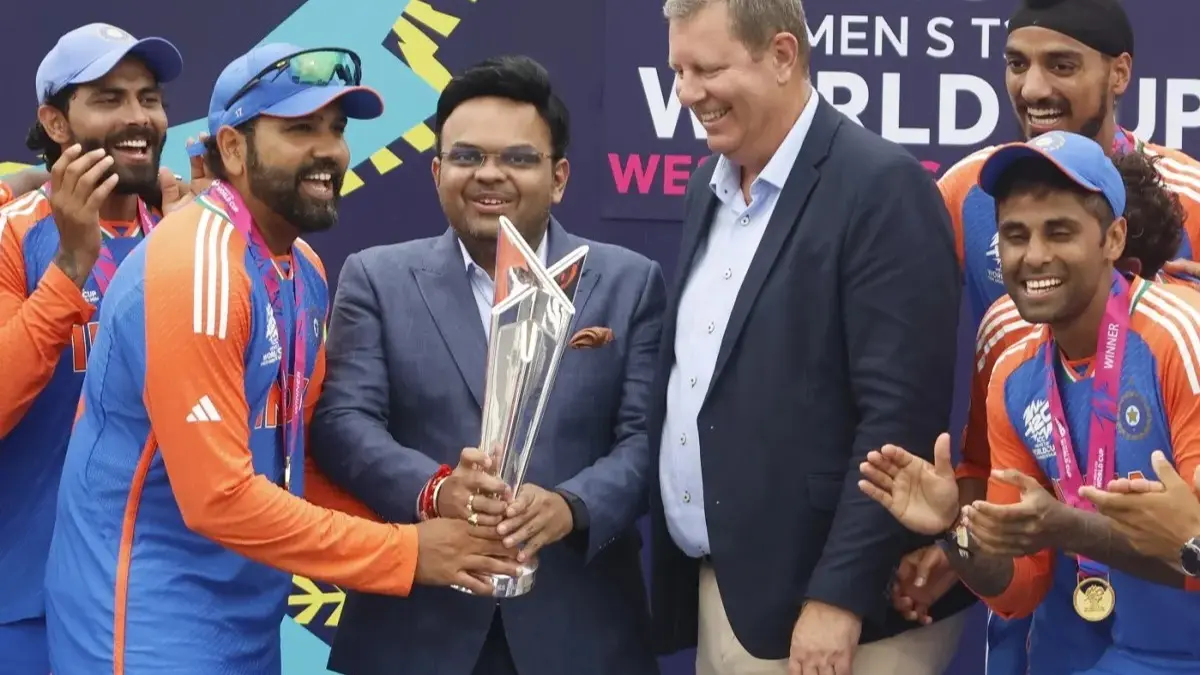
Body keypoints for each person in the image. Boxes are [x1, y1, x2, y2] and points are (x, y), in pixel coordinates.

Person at [42, 43, 520, 674]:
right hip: (145, 631)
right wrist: (407, 553)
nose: (330, 150)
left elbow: (294, 462)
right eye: (299, 129)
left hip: (243, 623)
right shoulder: (200, 268)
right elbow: (219, 499)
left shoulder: (304, 270)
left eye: (337, 128)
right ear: (235, 149)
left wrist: (431, 499)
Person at [309, 55, 664, 675]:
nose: (489, 174)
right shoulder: (376, 277)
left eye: (518, 158)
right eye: (467, 157)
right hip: (413, 631)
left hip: (583, 632)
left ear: (558, 178)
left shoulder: (629, 282)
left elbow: (648, 439)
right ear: (437, 171)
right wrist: (438, 489)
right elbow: (343, 423)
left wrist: (570, 506)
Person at [649, 0, 965, 673]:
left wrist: (838, 596)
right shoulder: (707, 182)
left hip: (835, 621)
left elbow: (899, 415)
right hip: (732, 591)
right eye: (678, 70)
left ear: (783, 57)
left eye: (706, 68)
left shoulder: (882, 187)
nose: (686, 93)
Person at [899, 1, 1200, 670]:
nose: (1033, 89)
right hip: (1046, 572)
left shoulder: (1189, 216)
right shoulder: (964, 196)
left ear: (1119, 73)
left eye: (1060, 65)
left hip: (1176, 584)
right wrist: (964, 525)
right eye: (1016, 64)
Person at [0, 23, 193, 675]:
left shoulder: (193, 241)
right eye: (108, 99)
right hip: (25, 601)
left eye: (149, 96)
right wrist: (71, 266)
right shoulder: (12, 235)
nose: (139, 116)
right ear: (55, 122)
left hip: (159, 597)